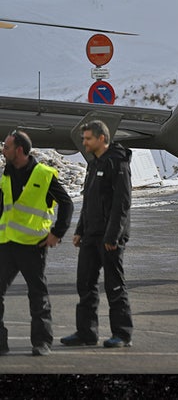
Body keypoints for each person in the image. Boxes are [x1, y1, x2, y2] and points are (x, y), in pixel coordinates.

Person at [0, 130, 74, 356]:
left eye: (7, 147)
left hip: (33, 246)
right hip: (6, 244)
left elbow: (67, 204)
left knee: (37, 294)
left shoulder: (43, 174)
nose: (3, 150)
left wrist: (57, 233)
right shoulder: (6, 175)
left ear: (19, 150)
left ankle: (41, 342)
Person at [61, 120, 133, 349]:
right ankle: (86, 333)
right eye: (84, 139)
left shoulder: (117, 163)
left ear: (102, 138)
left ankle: (122, 335)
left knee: (114, 287)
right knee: (85, 284)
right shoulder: (94, 163)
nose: (84, 143)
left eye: (88, 139)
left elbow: (122, 204)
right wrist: (80, 230)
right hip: (90, 236)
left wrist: (113, 237)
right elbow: (89, 200)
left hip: (110, 238)